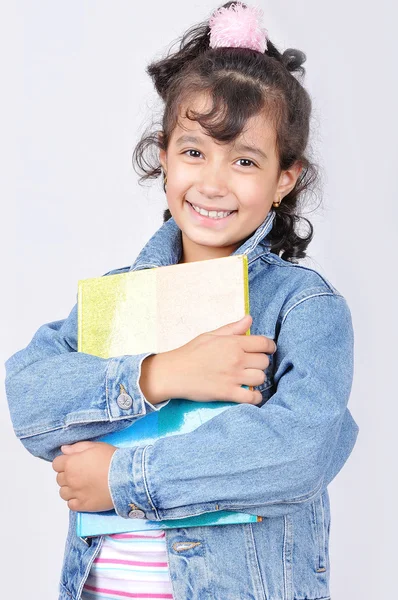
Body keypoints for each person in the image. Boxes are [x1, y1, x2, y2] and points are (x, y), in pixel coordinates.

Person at [4, 2, 359, 599]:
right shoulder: (119, 296)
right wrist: (161, 374)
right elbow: (29, 399)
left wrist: (123, 478)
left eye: (245, 160)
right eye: (194, 152)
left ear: (285, 178)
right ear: (163, 157)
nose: (214, 182)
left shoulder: (303, 308)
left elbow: (299, 454)